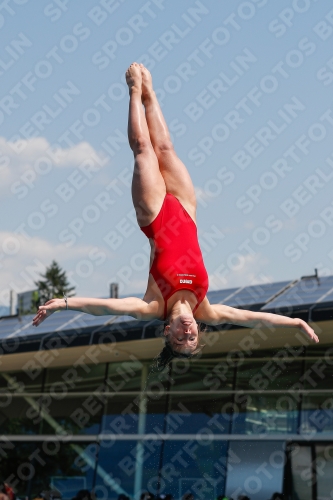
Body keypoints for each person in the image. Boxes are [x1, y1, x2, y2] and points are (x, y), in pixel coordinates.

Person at [32, 63, 319, 366]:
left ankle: (133, 89)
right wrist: (297, 322)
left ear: (167, 331)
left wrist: (64, 303)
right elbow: (251, 318)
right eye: (192, 338)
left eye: (179, 339)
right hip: (186, 209)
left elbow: (107, 307)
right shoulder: (206, 310)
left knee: (144, 148)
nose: (187, 334)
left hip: (154, 215)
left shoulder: (153, 306)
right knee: (165, 148)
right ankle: (149, 93)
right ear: (198, 330)